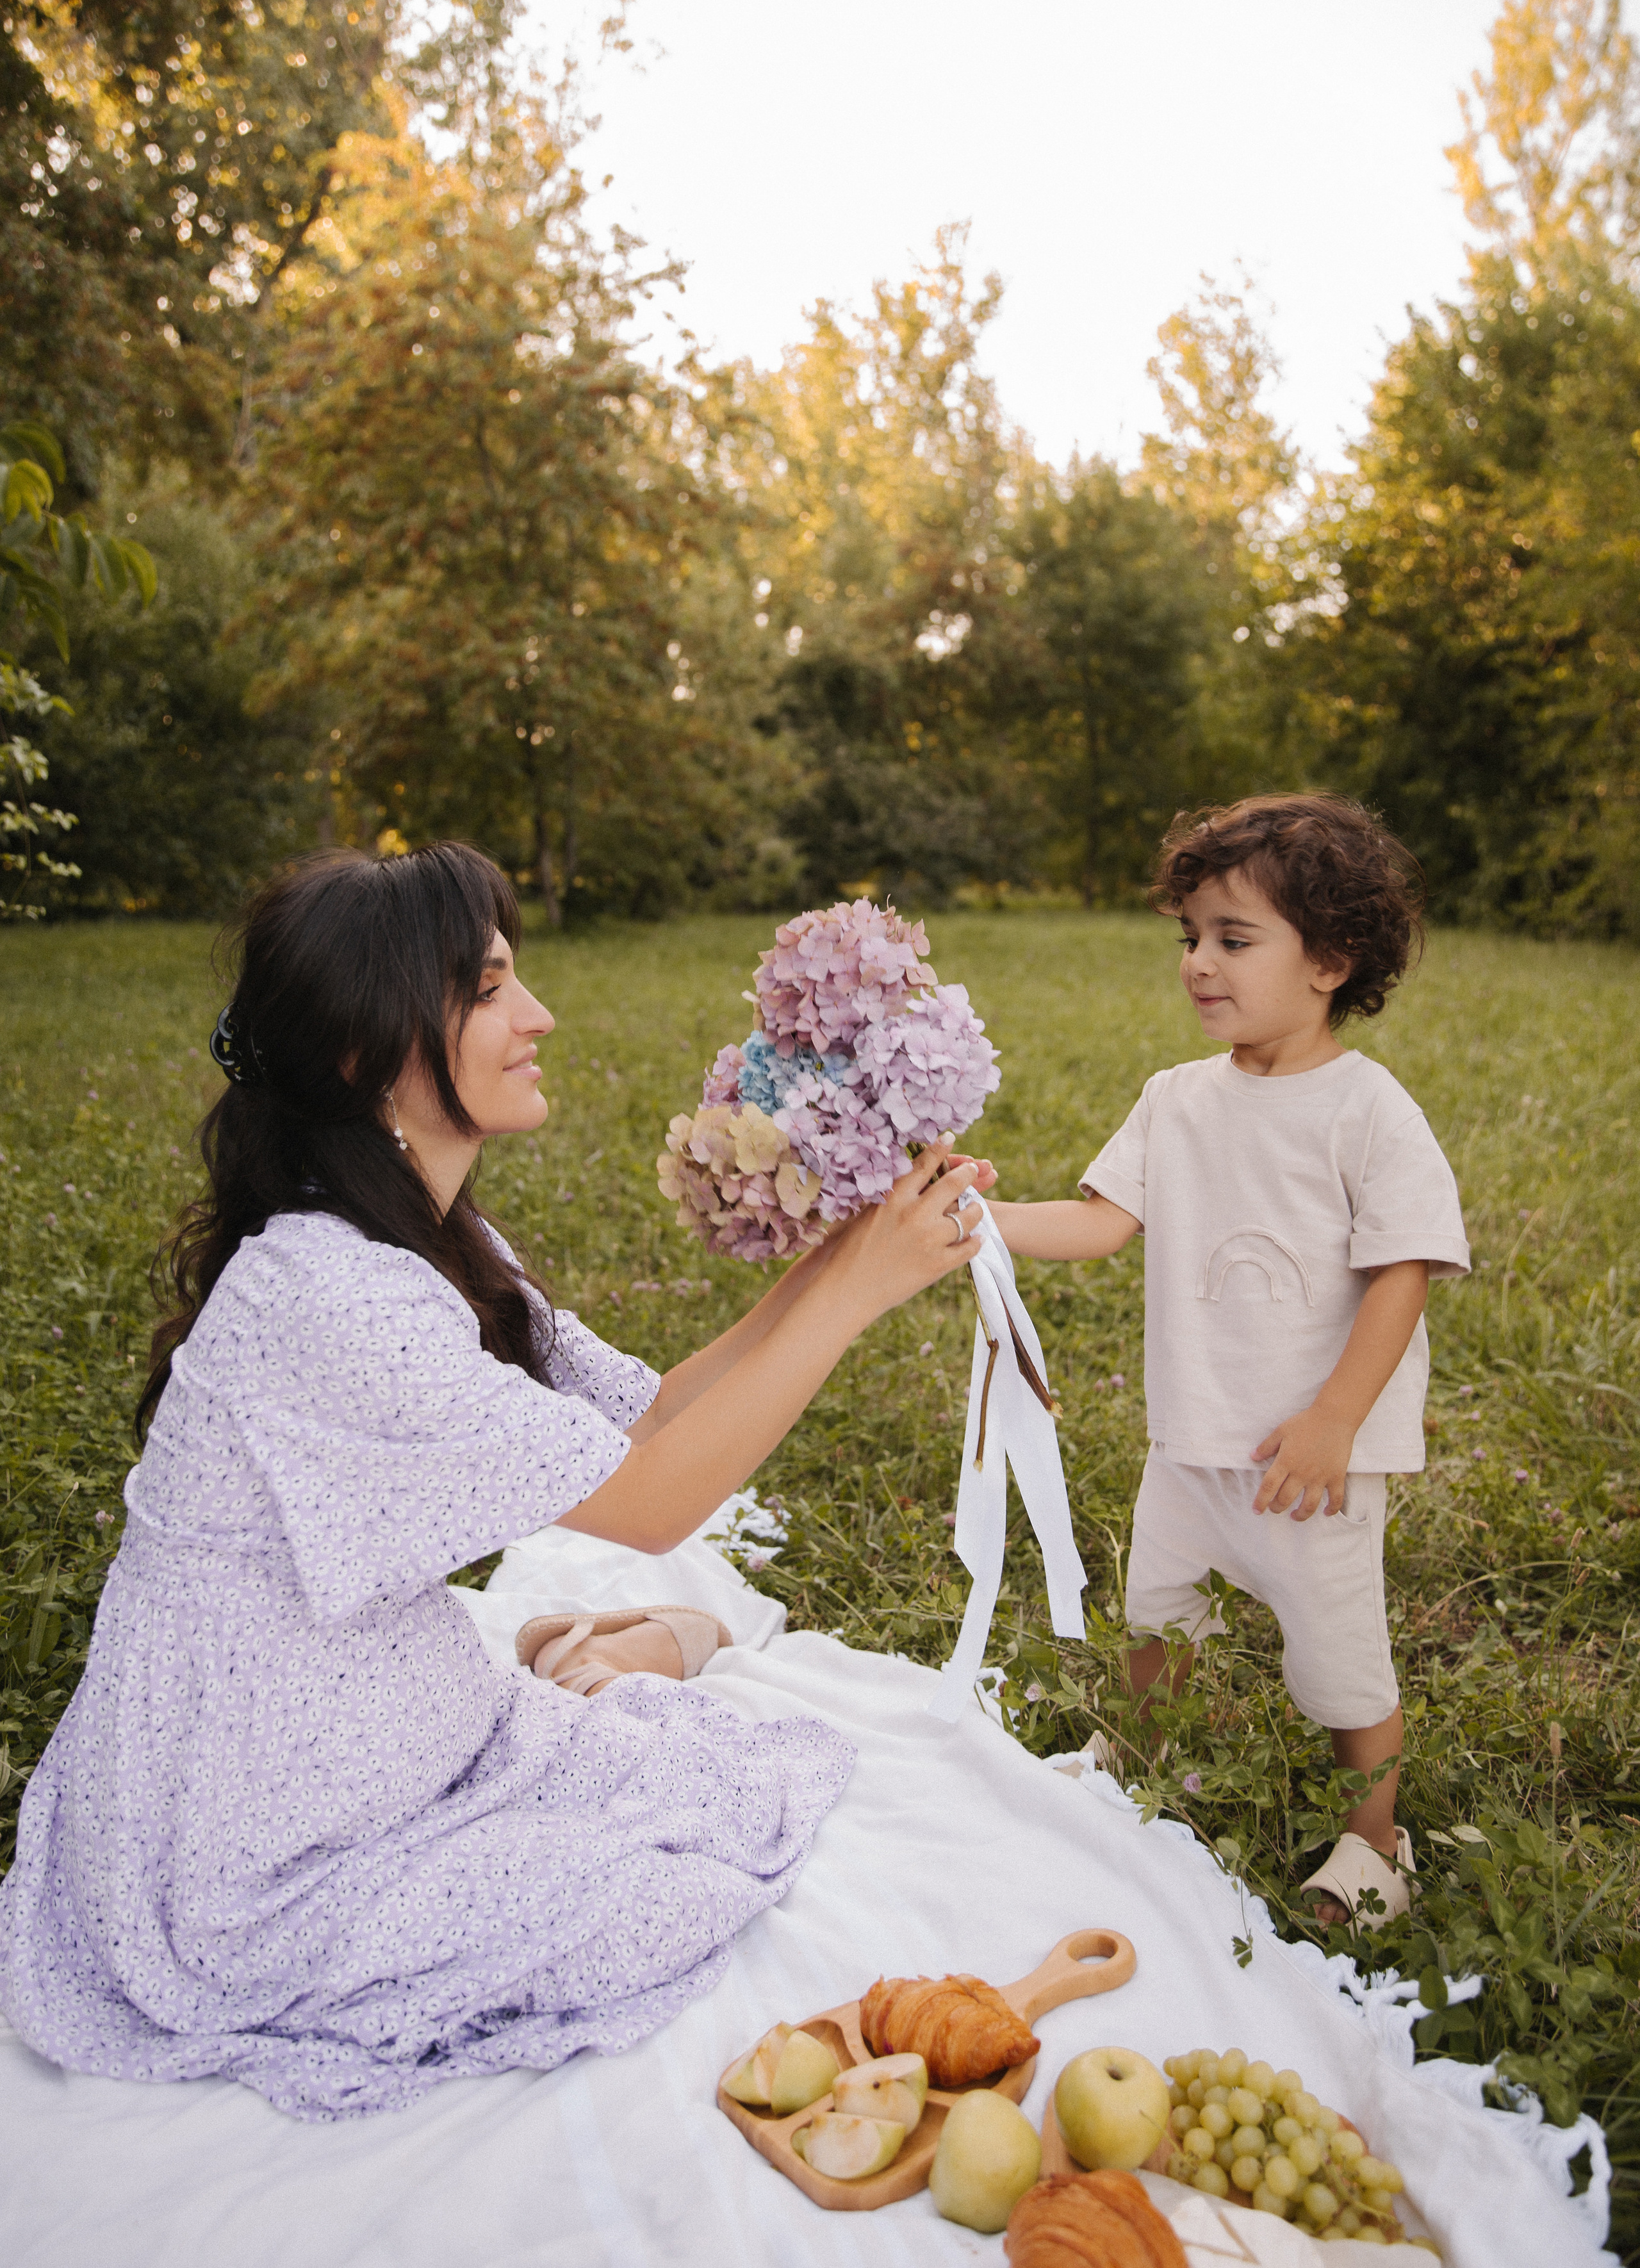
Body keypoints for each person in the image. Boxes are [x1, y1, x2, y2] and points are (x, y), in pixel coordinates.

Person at [0, 844, 984, 2119]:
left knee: (680, 1799)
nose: (538, 1019)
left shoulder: (421, 1235)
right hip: (242, 1832)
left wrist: (834, 1256)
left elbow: (647, 1422)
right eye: (487, 990)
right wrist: (859, 1291)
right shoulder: (331, 1292)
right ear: (365, 1054)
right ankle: (613, 1651)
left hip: (352, 1720)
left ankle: (612, 1650)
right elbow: (650, 1504)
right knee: (637, 1889)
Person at [960, 795, 1470, 1928]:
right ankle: (1150, 1753)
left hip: (1309, 1461)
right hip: (1193, 1436)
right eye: (1189, 937)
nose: (1198, 963)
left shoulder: (1367, 1112)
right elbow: (1100, 1222)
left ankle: (1377, 1842)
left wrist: (1337, 1417)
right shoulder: (1176, 1101)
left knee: (1339, 1655)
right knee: (1157, 1611)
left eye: (1233, 940)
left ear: (1331, 960)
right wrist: (975, 1219)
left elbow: (1405, 1273)